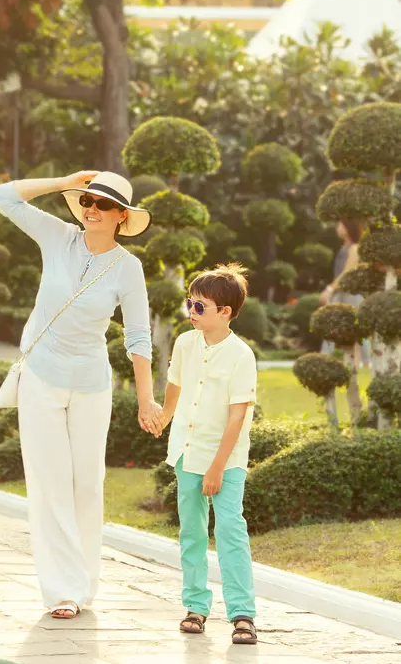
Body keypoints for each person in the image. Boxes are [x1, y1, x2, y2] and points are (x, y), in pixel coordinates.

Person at [0, 170, 163, 620]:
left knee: (86, 484)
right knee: (50, 484)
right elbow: (4, 197)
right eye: (87, 200)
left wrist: (146, 400)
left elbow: (139, 337)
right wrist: (64, 180)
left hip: (91, 382)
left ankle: (84, 583)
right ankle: (61, 591)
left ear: (121, 217)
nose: (91, 209)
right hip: (42, 377)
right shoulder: (58, 237)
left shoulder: (129, 267)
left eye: (103, 205)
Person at [155, 264, 258, 645]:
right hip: (186, 452)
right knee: (192, 532)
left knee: (230, 529)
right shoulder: (185, 343)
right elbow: (175, 384)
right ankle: (195, 606)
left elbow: (237, 416)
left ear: (225, 312)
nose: (191, 312)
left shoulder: (241, 356)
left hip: (225, 459)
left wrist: (217, 467)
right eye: (189, 304)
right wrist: (164, 417)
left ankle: (242, 613)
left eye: (200, 307)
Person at [320, 220, 369, 365]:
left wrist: (329, 290)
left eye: (341, 225)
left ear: (348, 228)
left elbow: (346, 274)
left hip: (351, 294)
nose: (338, 228)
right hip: (340, 292)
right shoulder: (344, 247)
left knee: (359, 327)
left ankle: (367, 361)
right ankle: (324, 357)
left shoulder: (354, 248)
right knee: (332, 323)